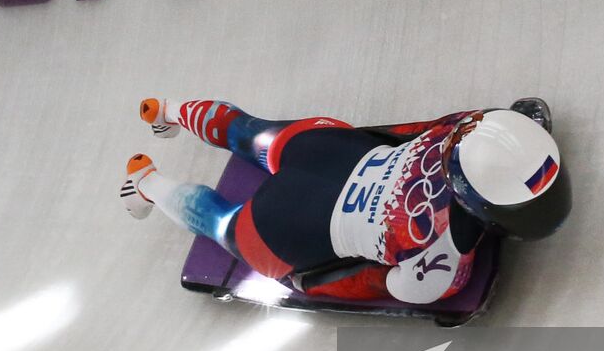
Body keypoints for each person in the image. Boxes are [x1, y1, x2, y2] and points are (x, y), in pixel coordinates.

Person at [120, 97, 572, 305]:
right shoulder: (441, 261)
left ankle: (168, 112)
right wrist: (303, 281)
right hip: (287, 225)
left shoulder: (474, 123)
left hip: (327, 149)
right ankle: (147, 183)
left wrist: (353, 142)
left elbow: (406, 130)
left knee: (249, 130)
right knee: (223, 224)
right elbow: (368, 284)